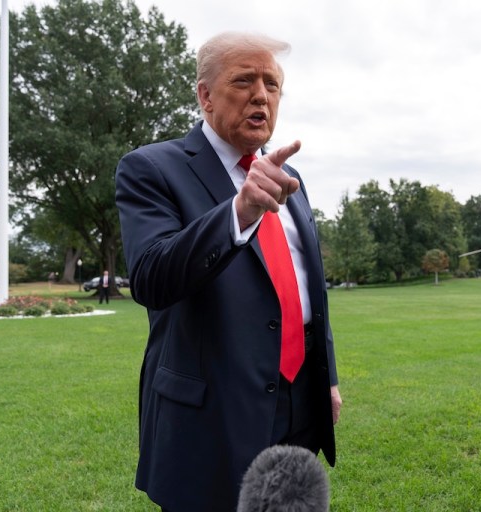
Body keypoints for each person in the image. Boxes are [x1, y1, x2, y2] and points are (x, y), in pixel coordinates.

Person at [115, 32, 342, 511]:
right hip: (209, 418)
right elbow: (152, 277)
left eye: (273, 84)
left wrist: (329, 380)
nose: (261, 94)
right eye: (244, 80)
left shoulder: (291, 184)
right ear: (205, 95)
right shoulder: (152, 168)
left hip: (299, 406)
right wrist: (237, 212)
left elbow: (307, 293)